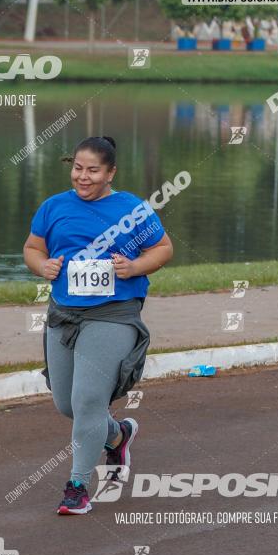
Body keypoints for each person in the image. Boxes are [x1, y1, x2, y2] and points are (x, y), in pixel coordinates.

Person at [23, 135, 174, 515]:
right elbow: (32, 247)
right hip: (64, 314)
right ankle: (118, 435)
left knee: (89, 399)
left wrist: (135, 266)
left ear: (110, 173)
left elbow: (164, 248)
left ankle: (76, 486)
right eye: (78, 168)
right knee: (66, 402)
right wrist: (43, 266)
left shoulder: (131, 210)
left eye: (93, 170)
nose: (83, 176)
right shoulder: (53, 207)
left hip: (114, 314)